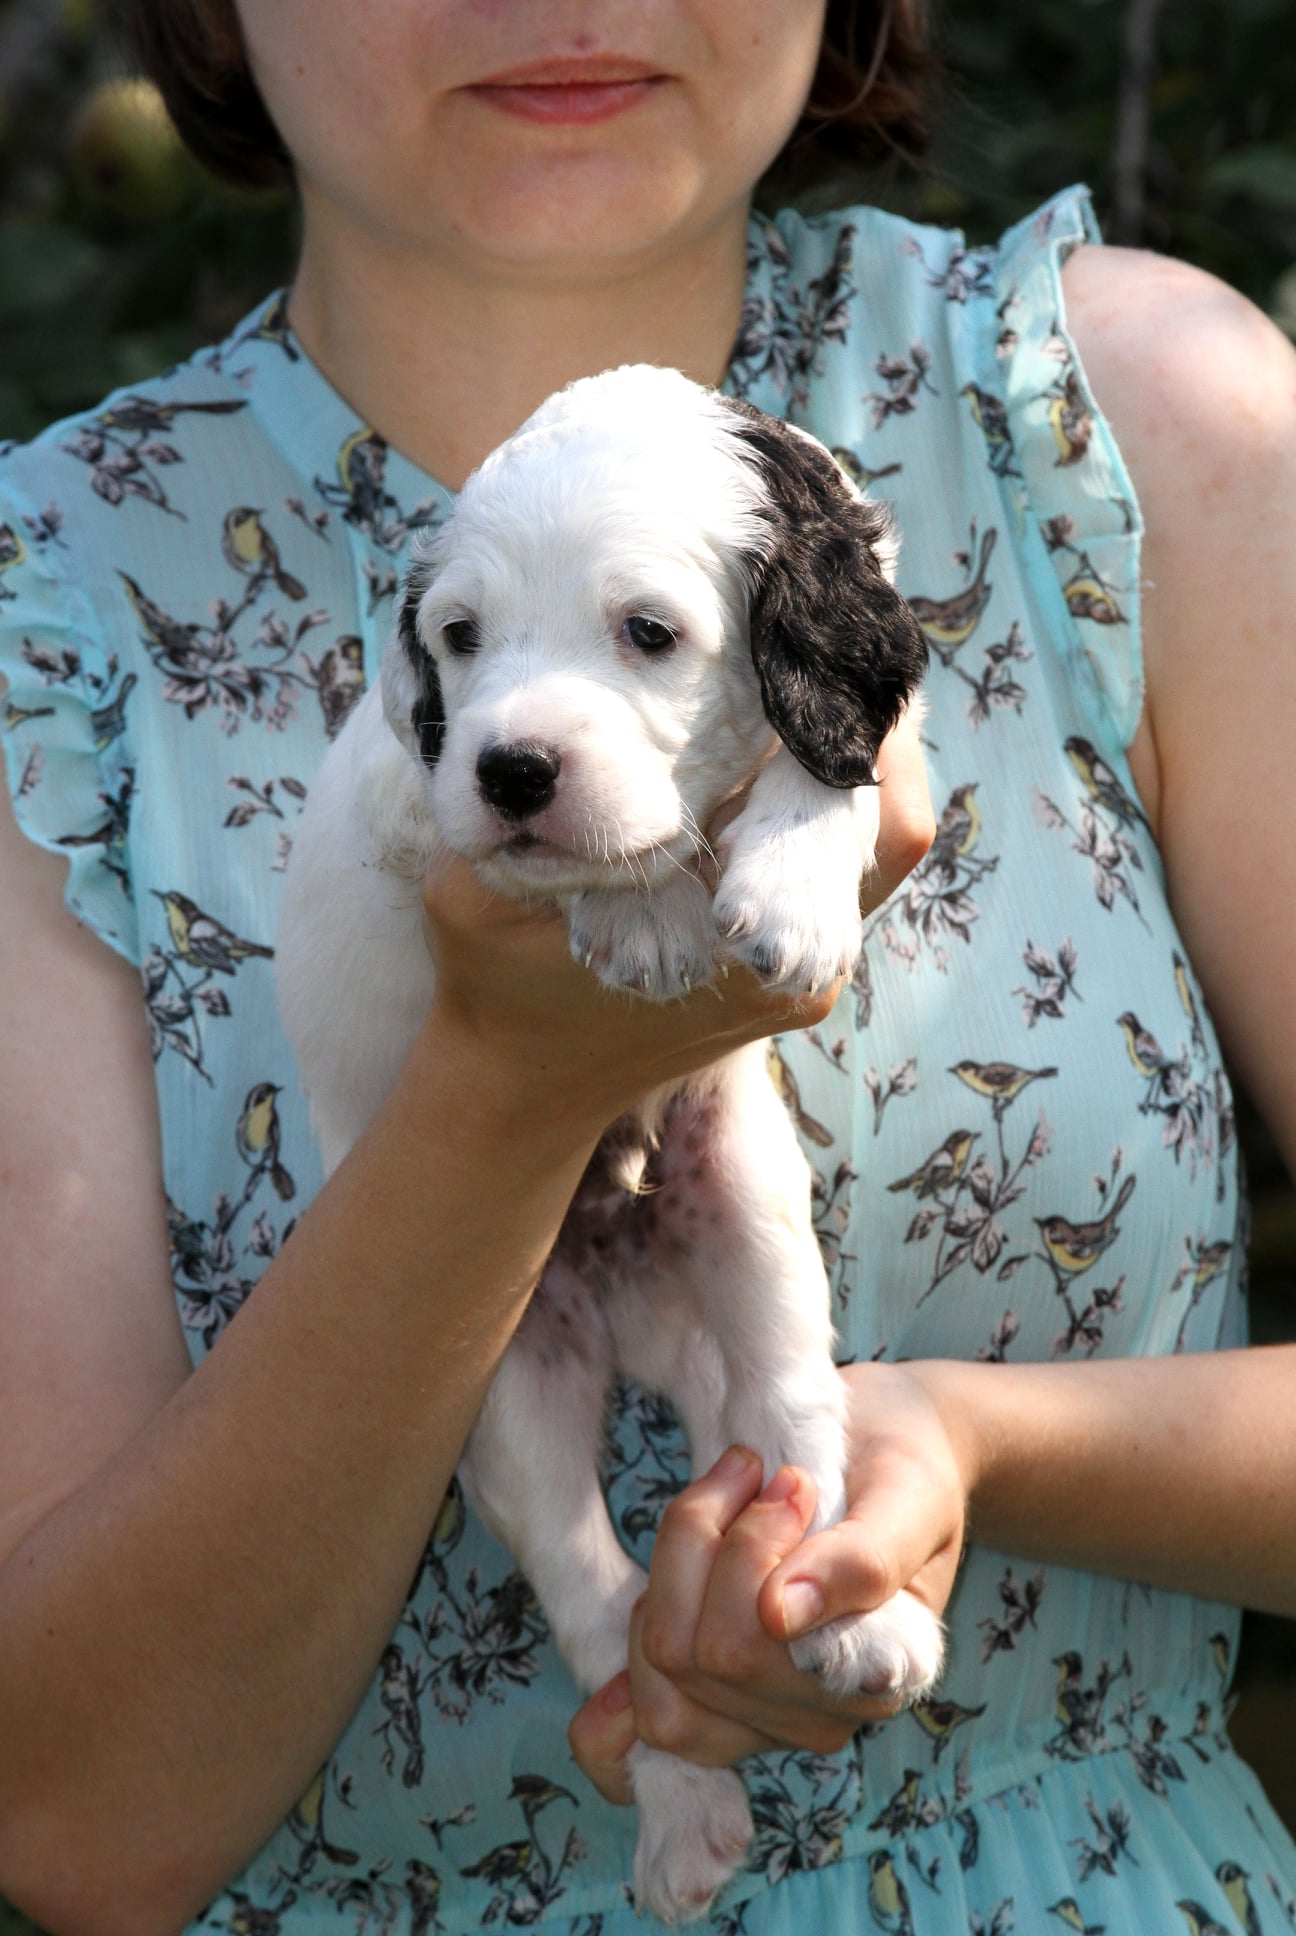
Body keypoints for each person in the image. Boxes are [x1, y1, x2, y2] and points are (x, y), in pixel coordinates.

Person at [1, 2, 1294, 1932]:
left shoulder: (1142, 418)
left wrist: (983, 1444)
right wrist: (505, 1090)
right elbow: (74, 1820)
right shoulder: (49, 622)